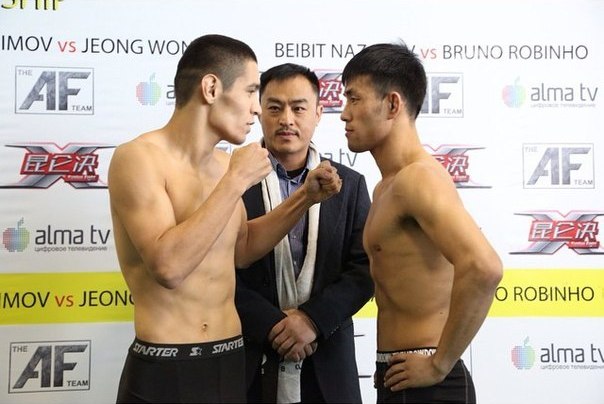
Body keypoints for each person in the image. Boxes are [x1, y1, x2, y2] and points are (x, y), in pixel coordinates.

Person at [108, 35, 342, 404]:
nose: (256, 109)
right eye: (251, 91)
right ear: (211, 88)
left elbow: (242, 248)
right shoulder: (139, 158)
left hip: (231, 361)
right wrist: (235, 181)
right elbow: (168, 267)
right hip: (168, 366)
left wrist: (304, 199)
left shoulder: (222, 163)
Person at [340, 43, 503, 403]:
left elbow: (484, 267)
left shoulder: (418, 178)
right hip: (399, 375)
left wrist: (439, 364)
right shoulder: (386, 186)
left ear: (392, 105)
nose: (344, 114)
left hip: (430, 384)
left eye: (354, 99)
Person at [235, 63, 374, 403]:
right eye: (274, 108)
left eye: (298, 108)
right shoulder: (232, 181)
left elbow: (365, 270)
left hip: (328, 360)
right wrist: (271, 324)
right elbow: (217, 270)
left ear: (318, 113)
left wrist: (311, 320)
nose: (286, 119)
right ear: (259, 111)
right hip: (250, 360)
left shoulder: (349, 185)